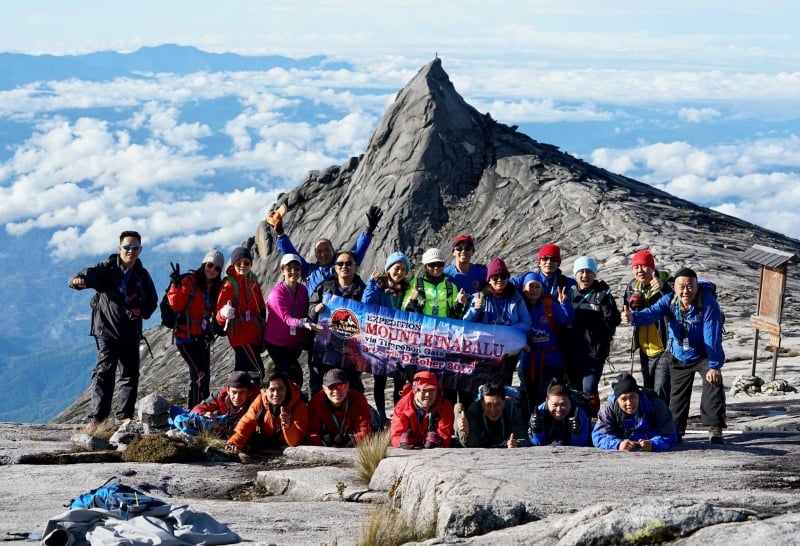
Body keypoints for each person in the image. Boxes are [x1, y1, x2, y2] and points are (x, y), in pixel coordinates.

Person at [622, 267, 726, 444]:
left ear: (696, 286)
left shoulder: (708, 303)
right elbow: (652, 313)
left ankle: (714, 428)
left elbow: (712, 334)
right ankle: (676, 430)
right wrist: (633, 317)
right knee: (677, 396)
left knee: (713, 382)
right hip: (679, 354)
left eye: (690, 286)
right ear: (675, 287)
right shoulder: (669, 300)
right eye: (681, 286)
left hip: (703, 354)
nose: (685, 291)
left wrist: (714, 365)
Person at [68, 230, 158, 425]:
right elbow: (84, 274)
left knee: (130, 374)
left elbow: (152, 301)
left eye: (134, 248)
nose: (130, 251)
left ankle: (124, 416)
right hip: (106, 332)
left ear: (140, 250)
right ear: (120, 248)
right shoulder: (107, 269)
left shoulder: (142, 275)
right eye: (127, 247)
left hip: (130, 333)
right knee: (104, 373)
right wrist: (77, 281)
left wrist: (140, 311)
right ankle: (98, 418)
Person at [403, 248, 468, 406]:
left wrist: (459, 303)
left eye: (439, 265)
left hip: (445, 341)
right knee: (424, 380)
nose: (436, 268)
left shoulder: (450, 286)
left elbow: (456, 317)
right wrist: (412, 301)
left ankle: (446, 416)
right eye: (432, 265)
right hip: (422, 342)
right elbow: (405, 313)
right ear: (425, 266)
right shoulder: (416, 284)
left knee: (447, 383)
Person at [269, 204, 383, 294]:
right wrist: (280, 233)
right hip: (314, 319)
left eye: (327, 250)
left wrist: (368, 231)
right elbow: (291, 255)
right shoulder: (309, 272)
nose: (323, 254)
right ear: (315, 254)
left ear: (333, 251)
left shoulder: (341, 266)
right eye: (319, 251)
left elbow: (356, 252)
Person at [166, 248, 224, 408]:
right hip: (185, 338)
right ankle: (199, 413)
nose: (213, 269)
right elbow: (175, 305)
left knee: (199, 377)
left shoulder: (213, 287)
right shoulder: (188, 281)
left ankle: (194, 412)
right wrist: (176, 287)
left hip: (201, 338)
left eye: (217, 268)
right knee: (201, 374)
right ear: (204, 263)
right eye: (210, 265)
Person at [462, 257, 532, 386]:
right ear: (489, 280)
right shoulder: (480, 296)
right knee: (485, 386)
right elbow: (466, 323)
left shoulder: (516, 297)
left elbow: (527, 323)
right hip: (486, 350)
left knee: (505, 386)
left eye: (503, 276)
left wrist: (508, 330)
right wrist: (475, 309)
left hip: (509, 351)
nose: (499, 280)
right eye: (495, 277)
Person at [363, 251, 413, 424]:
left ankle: (397, 415)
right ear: (389, 268)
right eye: (396, 268)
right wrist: (370, 282)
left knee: (399, 379)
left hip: (399, 341)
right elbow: (366, 304)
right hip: (381, 340)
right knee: (380, 379)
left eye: (403, 269)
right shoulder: (378, 285)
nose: (399, 272)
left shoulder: (407, 289)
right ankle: (383, 415)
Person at [308, 250, 368, 394]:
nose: (344, 266)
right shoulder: (324, 287)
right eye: (340, 263)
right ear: (335, 267)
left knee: (352, 387)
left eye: (348, 263)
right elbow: (310, 308)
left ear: (355, 266)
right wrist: (315, 309)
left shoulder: (364, 290)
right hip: (325, 348)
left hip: (352, 351)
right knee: (320, 386)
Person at [568, 256, 621, 416]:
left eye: (589, 272)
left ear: (594, 274)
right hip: (572, 352)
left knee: (588, 389)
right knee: (574, 390)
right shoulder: (569, 293)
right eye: (581, 272)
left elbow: (614, 321)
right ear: (576, 274)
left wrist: (606, 304)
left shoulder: (602, 294)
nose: (585, 275)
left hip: (594, 353)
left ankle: (591, 421)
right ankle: (577, 423)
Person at [263, 253, 320, 390]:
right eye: (289, 268)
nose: (293, 271)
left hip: (293, 343)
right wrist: (304, 323)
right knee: (295, 374)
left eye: (297, 268)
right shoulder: (277, 293)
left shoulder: (302, 290)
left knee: (283, 373)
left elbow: (305, 310)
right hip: (276, 342)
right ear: (282, 271)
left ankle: (273, 395)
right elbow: (286, 318)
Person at [518, 278, 574, 414]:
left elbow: (568, 319)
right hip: (528, 359)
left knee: (547, 392)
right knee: (527, 395)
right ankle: (529, 426)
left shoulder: (549, 305)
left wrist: (564, 303)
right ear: (523, 289)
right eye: (530, 286)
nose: (534, 290)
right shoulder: (519, 306)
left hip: (552, 359)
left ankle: (546, 423)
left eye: (538, 286)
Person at [623, 250, 672, 403]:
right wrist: (626, 315)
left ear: (653, 268)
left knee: (661, 390)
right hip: (645, 348)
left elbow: (678, 304)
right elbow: (626, 309)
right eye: (636, 267)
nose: (640, 270)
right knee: (649, 389)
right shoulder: (632, 287)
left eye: (644, 266)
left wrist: (664, 289)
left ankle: (663, 424)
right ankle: (652, 423)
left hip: (665, 347)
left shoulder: (669, 283)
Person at [216, 246, 267, 383]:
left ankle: (234, 400)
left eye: (246, 262)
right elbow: (219, 314)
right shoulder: (229, 284)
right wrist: (223, 314)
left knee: (241, 374)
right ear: (233, 265)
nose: (243, 266)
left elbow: (261, 305)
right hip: (240, 336)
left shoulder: (252, 280)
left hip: (254, 335)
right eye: (239, 263)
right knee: (258, 372)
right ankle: (254, 401)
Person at [592, 373, 678, 451]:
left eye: (633, 397)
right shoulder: (609, 409)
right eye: (624, 399)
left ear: (638, 395)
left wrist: (653, 444)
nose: (629, 403)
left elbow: (670, 435)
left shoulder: (656, 405)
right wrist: (618, 444)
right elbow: (598, 436)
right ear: (617, 399)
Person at [225, 372, 308, 453]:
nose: (276, 394)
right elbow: (247, 422)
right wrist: (234, 442)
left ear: (286, 389)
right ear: (264, 390)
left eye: (280, 389)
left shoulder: (298, 405)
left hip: (287, 444)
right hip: (266, 440)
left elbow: (296, 442)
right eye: (272, 390)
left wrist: (289, 425)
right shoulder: (261, 400)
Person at [306, 368, 372, 447]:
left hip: (351, 442)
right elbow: (312, 433)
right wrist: (322, 443)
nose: (336, 391)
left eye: (340, 386)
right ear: (324, 389)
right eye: (331, 387)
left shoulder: (359, 399)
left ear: (347, 386)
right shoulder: (316, 402)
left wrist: (350, 441)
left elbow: (365, 432)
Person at [390, 371, 455, 449]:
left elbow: (445, 436)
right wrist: (401, 442)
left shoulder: (445, 406)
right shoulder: (402, 407)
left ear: (437, 390)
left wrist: (439, 441)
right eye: (424, 390)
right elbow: (396, 435)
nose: (428, 395)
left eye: (432, 390)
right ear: (415, 391)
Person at [456, 381, 529, 448]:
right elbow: (472, 444)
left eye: (497, 404)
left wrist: (517, 443)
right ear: (482, 404)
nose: (493, 410)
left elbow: (525, 439)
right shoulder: (474, 410)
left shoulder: (512, 409)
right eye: (488, 404)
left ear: (504, 403)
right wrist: (466, 434)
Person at [529, 379, 592, 447]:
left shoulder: (579, 413)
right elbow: (537, 445)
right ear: (547, 400)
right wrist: (537, 431)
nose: (559, 410)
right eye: (554, 405)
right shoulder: (539, 412)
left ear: (570, 401)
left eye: (564, 405)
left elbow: (581, 445)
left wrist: (577, 432)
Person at [192, 371, 260, 423]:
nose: (237, 397)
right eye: (234, 392)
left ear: (249, 392)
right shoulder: (220, 396)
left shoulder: (258, 400)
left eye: (242, 393)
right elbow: (197, 408)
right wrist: (203, 413)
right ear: (228, 390)